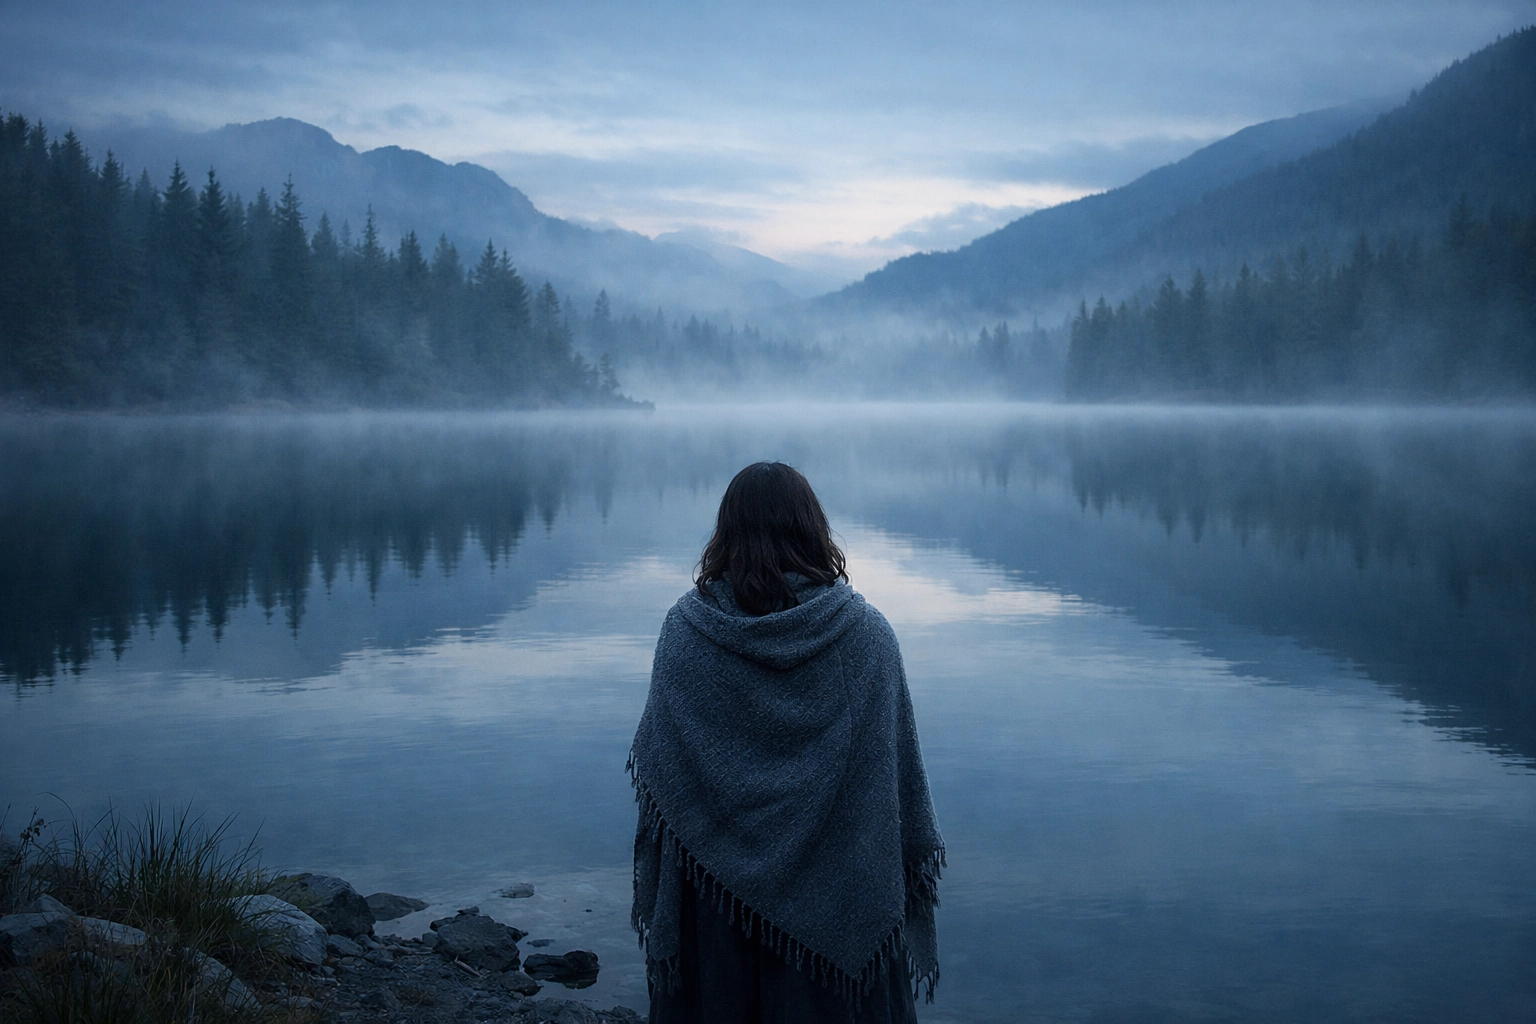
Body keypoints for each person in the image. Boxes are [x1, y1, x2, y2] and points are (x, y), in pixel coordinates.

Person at [629, 461, 944, 1024]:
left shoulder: (685, 631)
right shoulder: (867, 636)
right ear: (813, 530)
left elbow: (661, 781)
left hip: (715, 908)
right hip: (844, 901)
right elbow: (892, 789)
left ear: (726, 533)